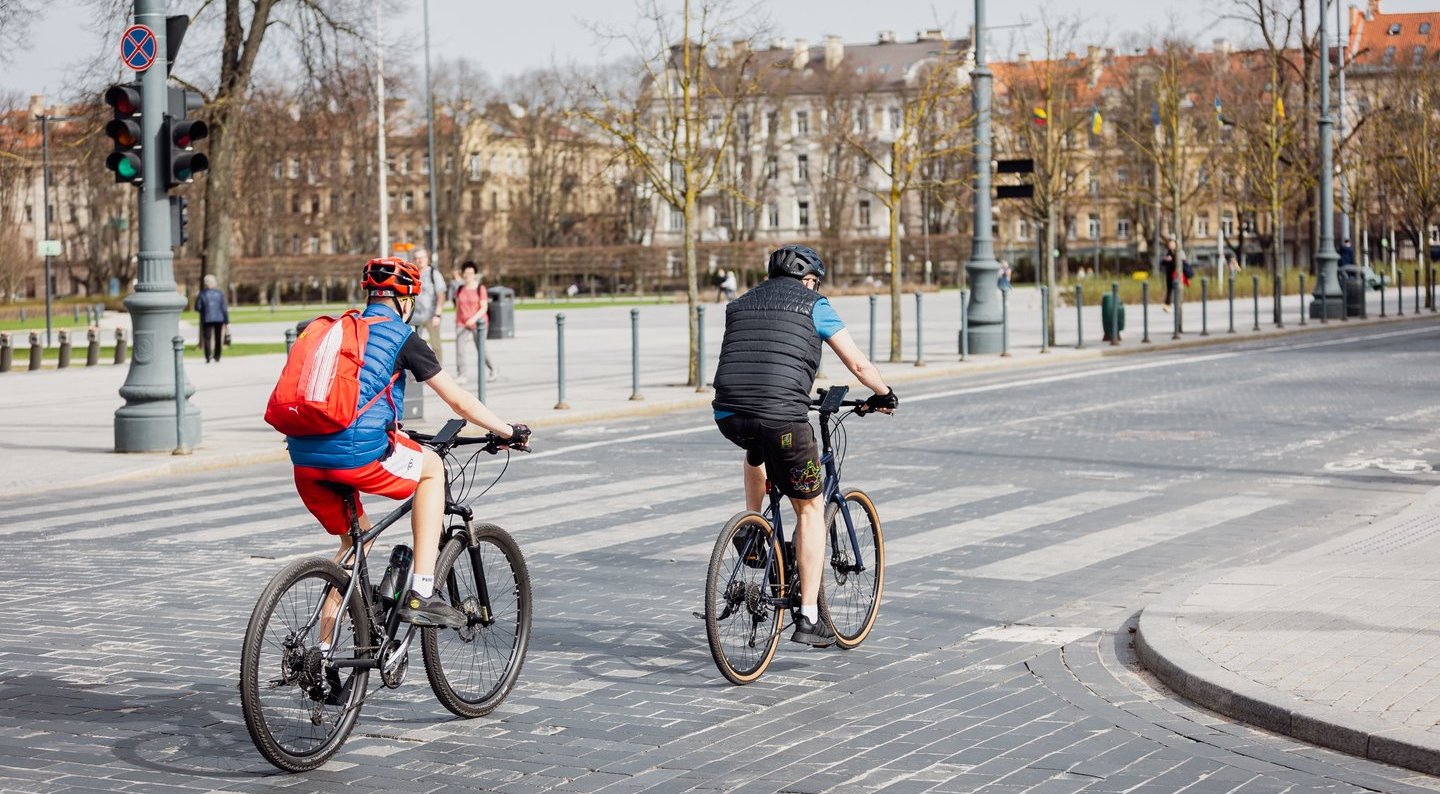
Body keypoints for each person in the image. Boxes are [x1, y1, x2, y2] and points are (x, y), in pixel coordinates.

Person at [288, 257, 528, 629]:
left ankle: (320, 652)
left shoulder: (340, 331)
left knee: (355, 545)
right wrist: (507, 431)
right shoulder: (403, 337)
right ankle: (422, 591)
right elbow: (459, 401)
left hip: (304, 456)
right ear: (407, 301)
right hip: (354, 454)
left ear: (369, 295)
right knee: (432, 469)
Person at [711, 244, 898, 648]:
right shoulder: (815, 304)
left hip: (727, 414)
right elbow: (859, 365)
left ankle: (752, 524)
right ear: (809, 280)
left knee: (754, 445)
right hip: (782, 420)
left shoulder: (739, 304)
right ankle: (810, 617)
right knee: (811, 508)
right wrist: (883, 394)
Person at [454, 261, 496, 383]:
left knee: (481, 348)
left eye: (471, 273)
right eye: (466, 273)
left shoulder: (480, 288)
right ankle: (462, 374)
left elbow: (484, 307)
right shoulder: (460, 288)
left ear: (475, 274)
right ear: (463, 274)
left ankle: (493, 369)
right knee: (460, 348)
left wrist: (473, 319)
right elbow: (458, 306)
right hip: (462, 322)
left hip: (479, 323)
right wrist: (457, 320)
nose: (468, 275)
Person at [406, 248, 449, 367]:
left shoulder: (433, 273)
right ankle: (418, 371)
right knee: (415, 346)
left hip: (431, 316)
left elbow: (441, 295)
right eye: (417, 258)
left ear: (427, 258)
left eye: (422, 257)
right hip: (415, 318)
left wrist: (438, 314)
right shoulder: (411, 275)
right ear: (414, 260)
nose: (420, 260)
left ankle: (437, 370)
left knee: (435, 346)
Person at [194, 274, 229, 363]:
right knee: (218, 338)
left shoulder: (202, 293)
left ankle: (208, 356)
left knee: (207, 338)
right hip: (219, 318)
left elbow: (197, 307)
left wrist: (204, 310)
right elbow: (224, 308)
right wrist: (226, 321)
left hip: (207, 318)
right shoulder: (220, 293)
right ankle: (217, 356)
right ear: (214, 283)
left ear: (205, 283)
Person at [1162, 238, 1179, 312]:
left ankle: (1175, 304)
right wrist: (1166, 260)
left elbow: (1178, 263)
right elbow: (1163, 263)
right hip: (1169, 274)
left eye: (1172, 244)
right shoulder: (1168, 253)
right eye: (1170, 244)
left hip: (1176, 274)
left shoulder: (1177, 253)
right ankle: (1167, 304)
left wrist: (1171, 260)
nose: (1171, 245)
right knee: (1169, 290)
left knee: (1176, 289)